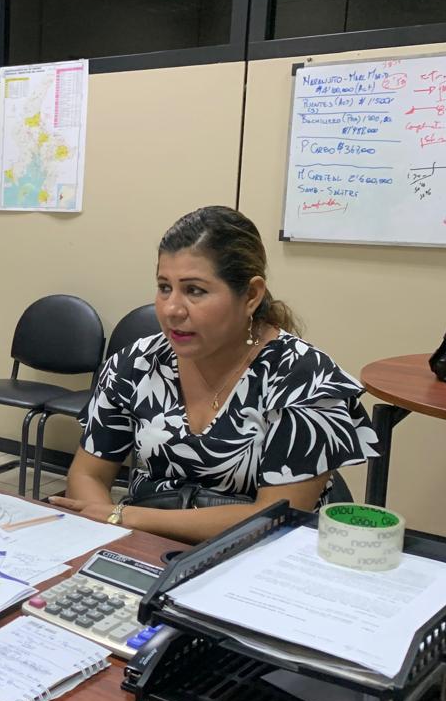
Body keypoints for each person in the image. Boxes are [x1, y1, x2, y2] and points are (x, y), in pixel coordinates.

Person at [51, 205, 377, 544]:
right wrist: (116, 541)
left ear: (251, 295)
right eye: (164, 287)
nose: (172, 309)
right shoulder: (138, 363)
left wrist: (126, 516)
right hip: (146, 543)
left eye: (195, 290)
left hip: (260, 555)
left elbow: (277, 515)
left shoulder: (303, 378)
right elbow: (88, 474)